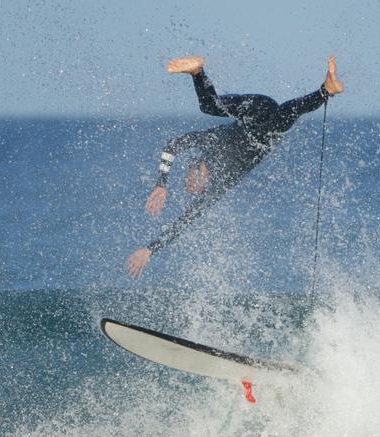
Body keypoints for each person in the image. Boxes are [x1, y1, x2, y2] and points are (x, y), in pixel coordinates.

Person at [126, 55, 344, 279]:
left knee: (210, 106)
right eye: (195, 190)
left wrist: (161, 184)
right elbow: (185, 220)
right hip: (270, 128)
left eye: (188, 182)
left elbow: (174, 144)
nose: (192, 188)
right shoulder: (222, 182)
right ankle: (325, 90)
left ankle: (197, 72)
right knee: (278, 122)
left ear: (193, 168)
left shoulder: (211, 141)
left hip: (255, 108)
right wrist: (150, 250)